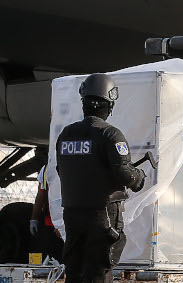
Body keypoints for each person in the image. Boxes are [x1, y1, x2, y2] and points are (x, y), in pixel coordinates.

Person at [55, 73, 146, 283]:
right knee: (98, 270)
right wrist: (138, 177)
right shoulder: (110, 135)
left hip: (72, 213)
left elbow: (62, 170)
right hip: (102, 214)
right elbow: (125, 173)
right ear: (108, 104)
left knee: (74, 270)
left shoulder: (66, 135)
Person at [29, 162, 64, 261]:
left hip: (66, 224)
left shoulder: (70, 167)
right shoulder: (46, 170)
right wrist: (34, 219)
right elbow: (41, 195)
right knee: (50, 258)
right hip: (51, 224)